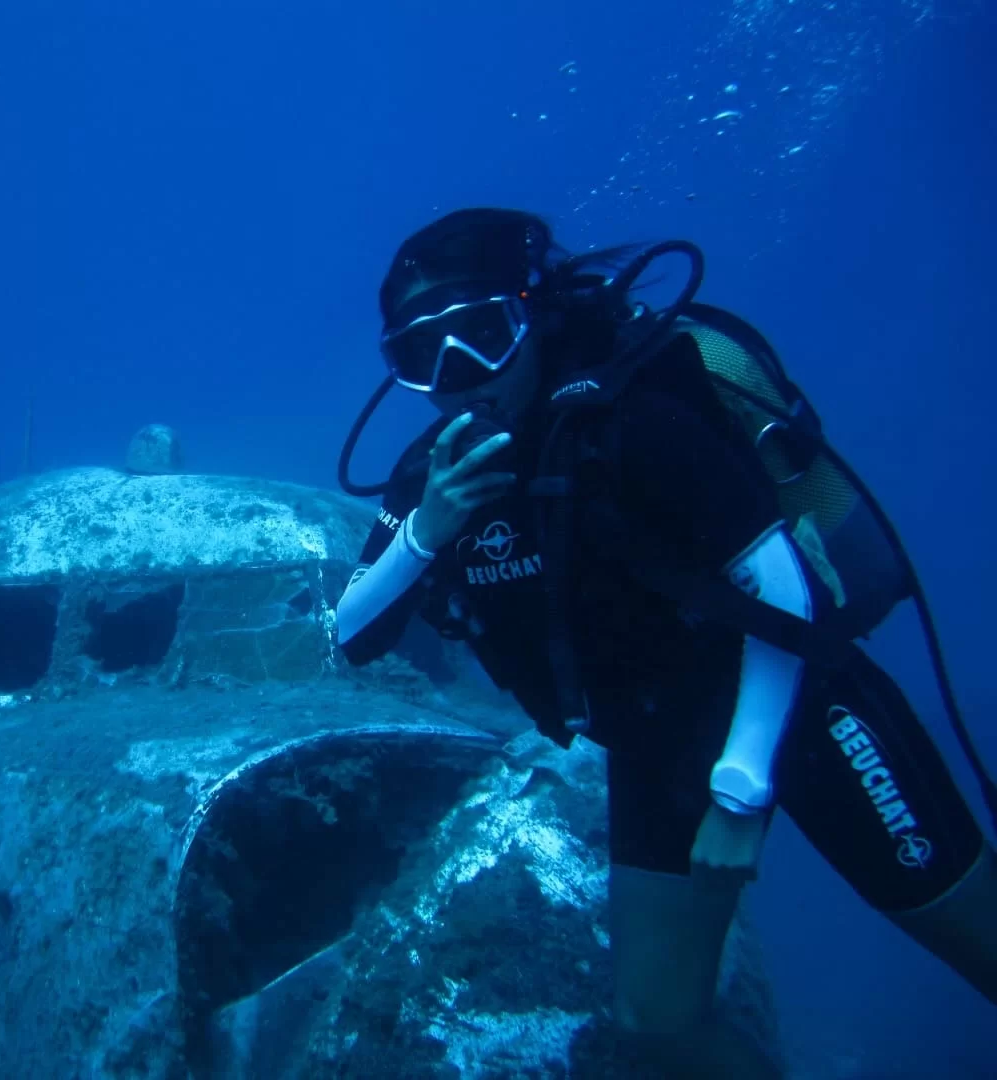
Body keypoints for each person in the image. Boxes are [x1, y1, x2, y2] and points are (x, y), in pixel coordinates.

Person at [334, 208, 997, 1078]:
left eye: (480, 335)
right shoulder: (435, 476)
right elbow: (351, 633)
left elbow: (783, 590)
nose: (459, 376)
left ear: (530, 314)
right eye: (423, 356)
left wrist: (741, 790)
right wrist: (427, 528)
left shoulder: (632, 413)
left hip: (803, 710)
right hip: (655, 744)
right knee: (656, 1023)